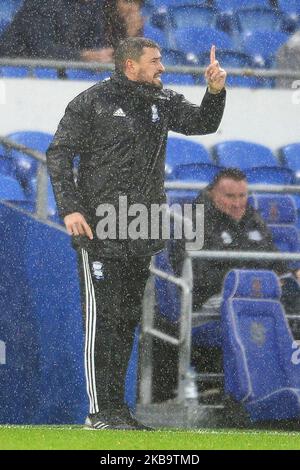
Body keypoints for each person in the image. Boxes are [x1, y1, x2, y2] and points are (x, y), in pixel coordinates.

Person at [46, 37, 227, 429]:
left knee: (126, 320)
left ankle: (117, 410)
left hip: (140, 230)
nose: (162, 67)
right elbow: (58, 153)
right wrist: (71, 208)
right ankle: (98, 413)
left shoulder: (162, 102)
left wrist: (215, 91)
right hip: (98, 228)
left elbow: (202, 123)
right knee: (101, 321)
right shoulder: (91, 101)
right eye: (155, 61)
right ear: (131, 66)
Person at [152, 168, 300, 403]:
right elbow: (198, 277)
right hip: (208, 303)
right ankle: (240, 392)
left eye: (242, 196)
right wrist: (246, 280)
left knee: (291, 301)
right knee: (252, 309)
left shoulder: (253, 218)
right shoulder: (194, 221)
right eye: (230, 196)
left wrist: (289, 275)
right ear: (212, 194)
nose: (238, 203)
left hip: (256, 299)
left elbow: (276, 264)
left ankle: (284, 389)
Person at [0, 0, 144, 63]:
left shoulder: (92, 7)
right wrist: (82, 56)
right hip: (18, 74)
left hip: (64, 74)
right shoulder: (41, 3)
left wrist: (130, 37)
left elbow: (99, 49)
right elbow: (41, 49)